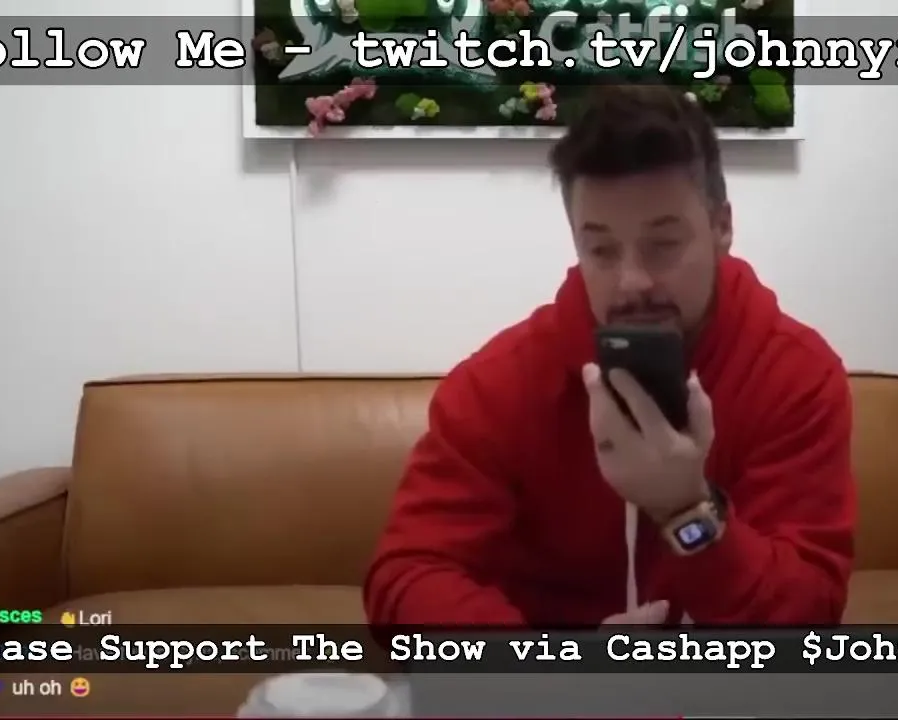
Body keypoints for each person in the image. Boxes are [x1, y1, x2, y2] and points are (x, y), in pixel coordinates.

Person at [363, 84, 856, 628]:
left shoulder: (795, 376)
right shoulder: (501, 384)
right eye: (601, 249)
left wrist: (686, 511)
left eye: (663, 245)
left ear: (722, 227)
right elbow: (407, 574)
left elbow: (806, 614)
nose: (632, 281)